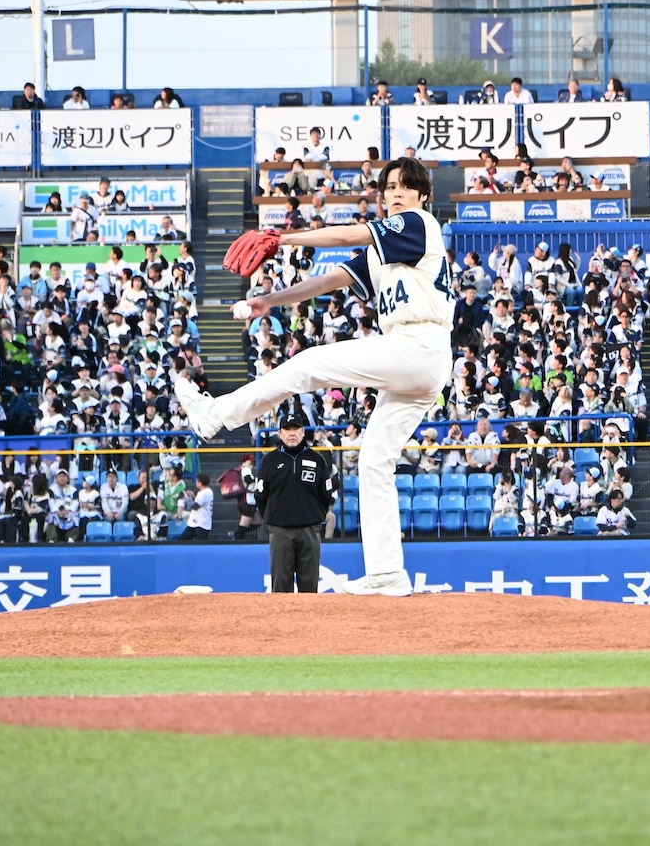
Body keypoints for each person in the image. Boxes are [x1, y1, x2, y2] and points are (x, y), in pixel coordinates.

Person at [174, 157, 452, 598]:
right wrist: (270, 300)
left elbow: (347, 233)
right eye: (390, 187)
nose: (396, 193)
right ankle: (387, 573)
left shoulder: (418, 224)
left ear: (422, 196)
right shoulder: (386, 248)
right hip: (419, 361)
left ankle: (216, 415)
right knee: (374, 459)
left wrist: (280, 237)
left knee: (306, 365)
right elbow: (329, 280)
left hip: (418, 344)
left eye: (406, 186)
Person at [257, 406, 335, 592]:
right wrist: (272, 519)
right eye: (287, 429)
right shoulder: (269, 461)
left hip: (309, 530)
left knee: (309, 586)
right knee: (280, 587)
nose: (292, 433)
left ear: (302, 432)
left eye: (296, 429)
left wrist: (315, 518)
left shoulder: (317, 459)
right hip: (280, 531)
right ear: (280, 433)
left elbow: (326, 494)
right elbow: (260, 496)